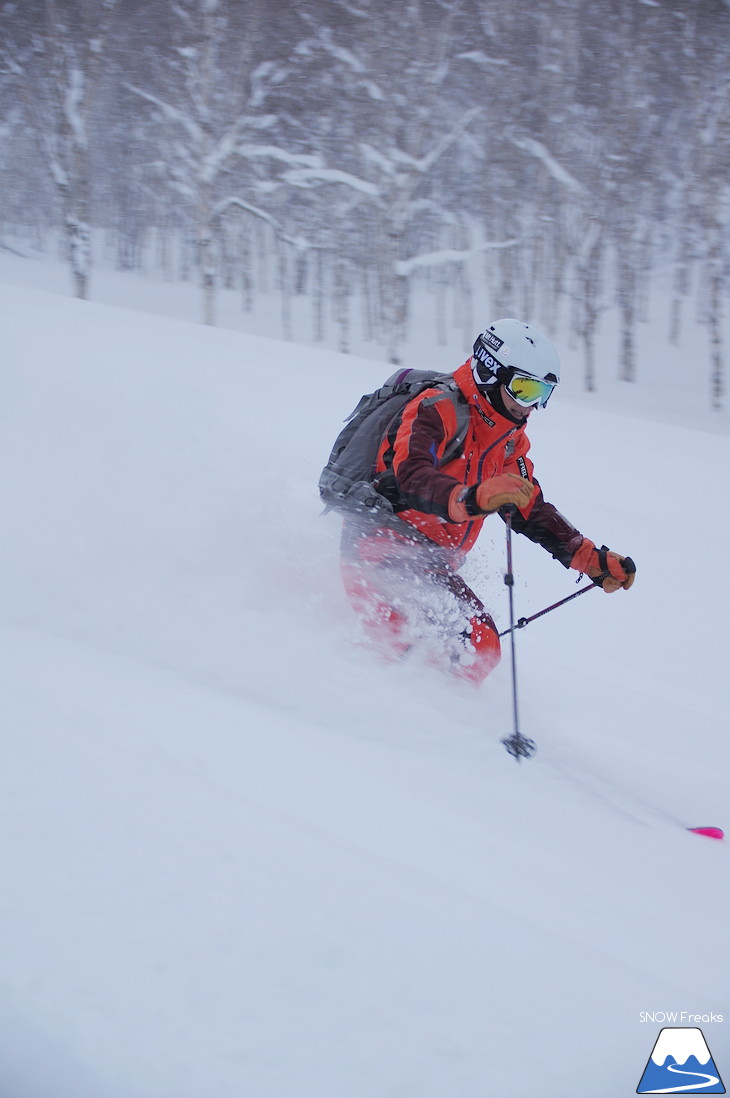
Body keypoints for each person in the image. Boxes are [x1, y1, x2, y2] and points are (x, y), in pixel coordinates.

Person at [339, 318, 635, 685]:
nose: (531, 406)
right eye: (524, 389)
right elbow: (411, 476)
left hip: (428, 563)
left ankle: (436, 724)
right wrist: (473, 498)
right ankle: (370, 720)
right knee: (436, 649)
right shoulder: (435, 409)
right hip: (379, 547)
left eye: (542, 394)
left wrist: (590, 558)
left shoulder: (507, 438)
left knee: (474, 650)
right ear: (490, 372)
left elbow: (528, 506)